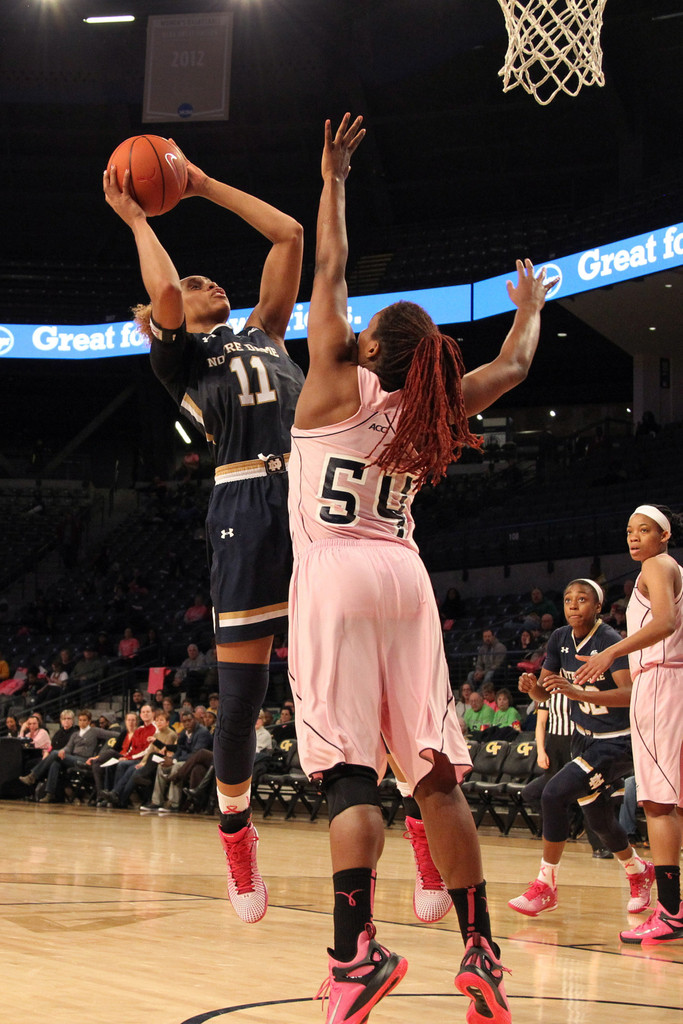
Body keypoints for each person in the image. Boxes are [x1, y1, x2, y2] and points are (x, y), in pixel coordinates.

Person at [287, 114, 554, 1024]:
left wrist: (332, 181)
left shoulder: (329, 381)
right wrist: (528, 310)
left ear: (368, 349)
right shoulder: (429, 412)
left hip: (334, 578)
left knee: (349, 775)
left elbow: (327, 270)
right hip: (406, 579)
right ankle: (479, 952)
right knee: (434, 775)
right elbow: (513, 366)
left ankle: (354, 954)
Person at [104, 141, 303, 923]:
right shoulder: (179, 360)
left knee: (351, 666)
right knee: (242, 694)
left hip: (310, 496)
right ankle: (235, 834)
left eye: (208, 279)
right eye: (195, 283)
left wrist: (203, 184)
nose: (206, 282)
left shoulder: (267, 332)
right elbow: (161, 291)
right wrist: (135, 216)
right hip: (244, 505)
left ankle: (418, 822)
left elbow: (287, 235)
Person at [509, 579, 654, 920]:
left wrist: (580, 694)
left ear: (598, 606)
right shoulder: (559, 638)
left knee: (553, 794)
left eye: (582, 599)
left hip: (618, 741)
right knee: (599, 819)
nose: (573, 605)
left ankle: (546, 886)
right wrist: (533, 690)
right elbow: (547, 694)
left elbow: (630, 694)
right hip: (584, 739)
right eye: (568, 599)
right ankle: (637, 871)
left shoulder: (610, 641)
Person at [575, 504, 683, 945]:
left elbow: (665, 622)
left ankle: (671, 913)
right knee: (673, 800)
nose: (634, 537)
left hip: (660, 681)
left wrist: (611, 652)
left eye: (644, 530)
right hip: (669, 679)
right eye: (629, 531)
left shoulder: (658, 564)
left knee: (657, 802)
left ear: (664, 536)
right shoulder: (670, 566)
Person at [19, 710, 112, 803]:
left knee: (55, 753)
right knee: (55, 763)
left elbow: (115, 735)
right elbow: (68, 747)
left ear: (89, 721)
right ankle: (50, 793)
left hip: (84, 760)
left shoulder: (95, 731)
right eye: (80, 720)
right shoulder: (76, 734)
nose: (82, 722)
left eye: (84, 720)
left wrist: (102, 752)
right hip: (73, 758)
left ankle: (33, 775)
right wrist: (63, 751)